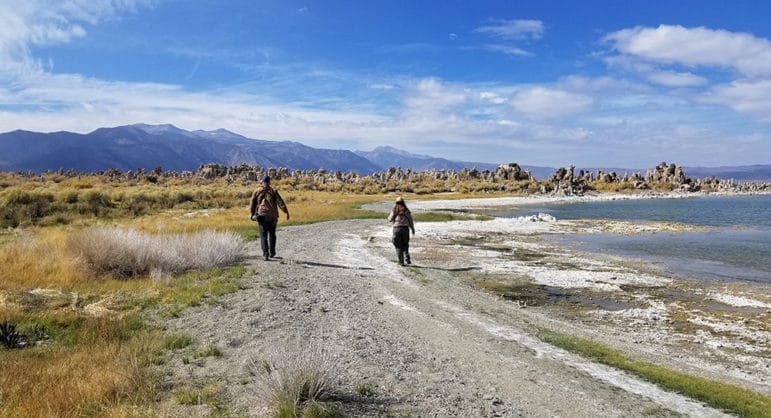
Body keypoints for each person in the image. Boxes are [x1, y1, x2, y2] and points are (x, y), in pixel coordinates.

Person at [250, 176, 290, 260]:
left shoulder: (257, 191)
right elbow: (280, 202)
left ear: (262, 182)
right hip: (273, 216)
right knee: (272, 234)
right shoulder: (274, 191)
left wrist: (252, 214)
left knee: (263, 235)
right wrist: (286, 212)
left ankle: (265, 254)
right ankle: (272, 252)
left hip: (262, 216)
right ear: (269, 182)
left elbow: (252, 204)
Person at [387, 196, 415, 266]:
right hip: (405, 229)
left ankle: (401, 261)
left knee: (398, 245)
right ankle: (406, 256)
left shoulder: (394, 210)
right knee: (405, 244)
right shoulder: (407, 210)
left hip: (397, 229)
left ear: (396, 202)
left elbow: (389, 219)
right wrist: (412, 229)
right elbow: (410, 220)